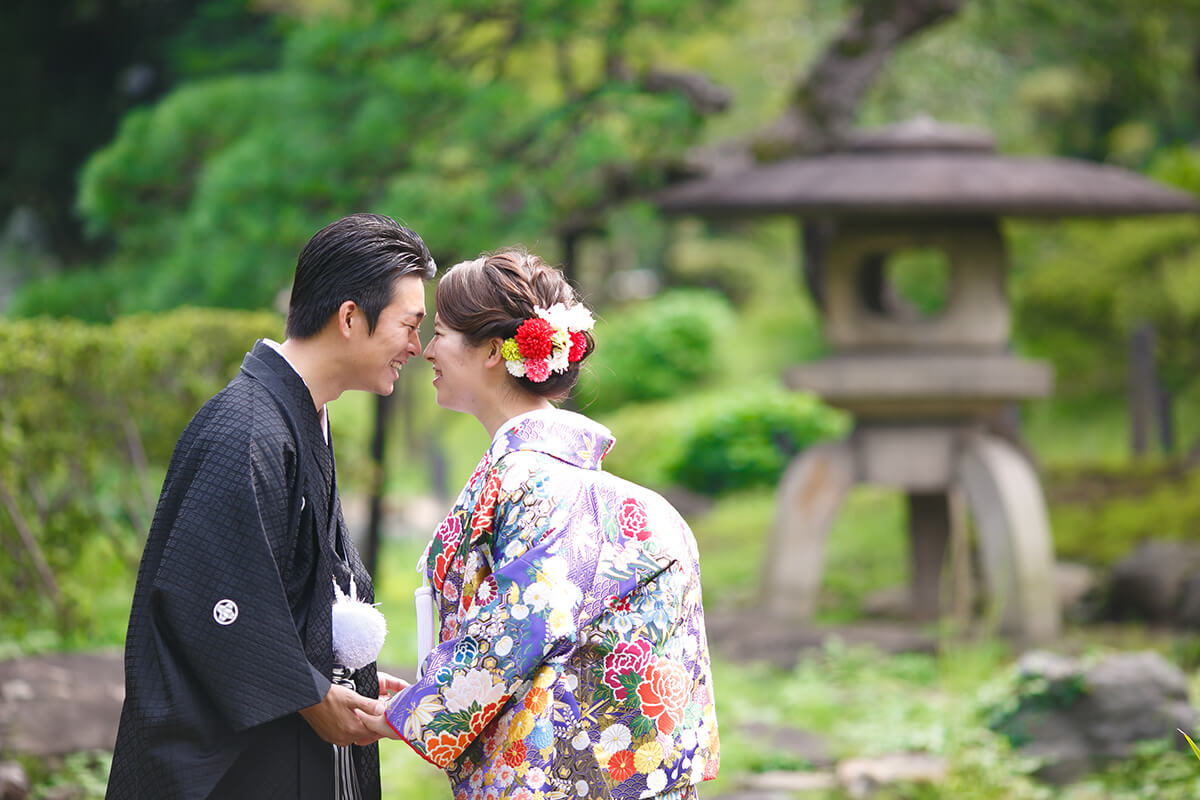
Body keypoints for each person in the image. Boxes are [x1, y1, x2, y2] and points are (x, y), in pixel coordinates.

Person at [356, 250, 720, 799]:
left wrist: (409, 713)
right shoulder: (628, 502)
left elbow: (519, 624)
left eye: (443, 333)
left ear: (493, 352)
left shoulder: (532, 479)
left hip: (562, 778)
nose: (426, 350)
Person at [106, 213, 435, 800]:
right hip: (234, 768)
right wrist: (310, 692)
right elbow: (214, 603)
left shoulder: (299, 415)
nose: (416, 346)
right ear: (351, 318)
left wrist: (341, 674)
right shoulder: (247, 429)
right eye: (409, 325)